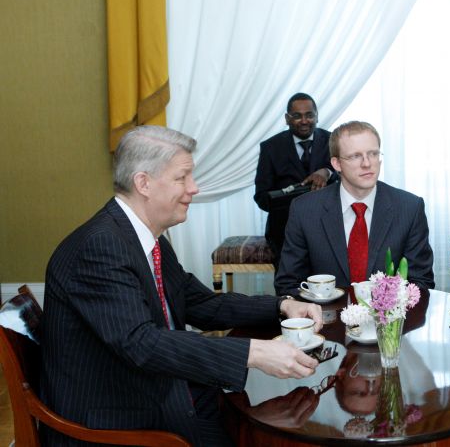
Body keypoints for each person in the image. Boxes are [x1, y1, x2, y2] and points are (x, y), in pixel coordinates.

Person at [40, 125, 324, 446]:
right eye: (182, 177)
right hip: (116, 419)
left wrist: (282, 305)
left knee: (262, 421)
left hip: (157, 389)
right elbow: (142, 344)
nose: (194, 188)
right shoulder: (100, 247)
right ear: (143, 183)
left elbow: (200, 303)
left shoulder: (147, 238)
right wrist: (254, 352)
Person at [274, 121, 434, 295]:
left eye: (373, 154)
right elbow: (288, 284)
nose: (367, 163)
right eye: (355, 156)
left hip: (389, 313)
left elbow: (421, 284)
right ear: (336, 164)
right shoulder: (305, 210)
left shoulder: (409, 208)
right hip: (324, 312)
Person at [254, 92, 337, 266]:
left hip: (328, 228)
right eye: (297, 116)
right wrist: (292, 197)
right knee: (289, 279)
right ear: (287, 119)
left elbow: (348, 176)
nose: (304, 121)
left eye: (309, 115)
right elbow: (261, 197)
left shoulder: (333, 141)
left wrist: (327, 172)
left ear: (317, 116)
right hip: (285, 231)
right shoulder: (270, 147)